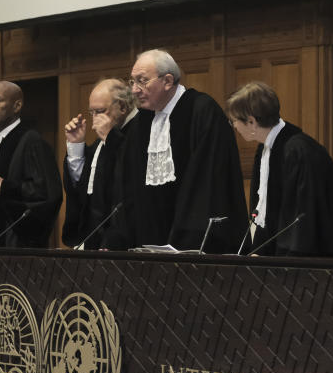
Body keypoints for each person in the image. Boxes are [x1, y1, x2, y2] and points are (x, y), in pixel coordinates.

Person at [103, 49, 247, 252]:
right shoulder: (141, 123)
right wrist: (119, 237)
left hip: (196, 247)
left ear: (168, 81)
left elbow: (209, 185)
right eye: (132, 82)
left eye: (142, 81)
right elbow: (127, 186)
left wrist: (185, 242)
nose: (134, 90)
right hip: (148, 248)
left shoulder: (202, 111)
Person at [226, 82, 333, 256]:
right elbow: (267, 213)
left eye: (234, 120)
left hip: (304, 261)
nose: (234, 126)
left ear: (251, 121)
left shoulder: (299, 152)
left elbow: (302, 220)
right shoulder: (265, 149)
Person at [0, 81, 62, 248]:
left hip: (12, 238)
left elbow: (46, 192)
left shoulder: (31, 141)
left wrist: (6, 188)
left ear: (17, 106)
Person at [62, 79, 138, 249]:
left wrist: (111, 138)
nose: (95, 120)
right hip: (93, 236)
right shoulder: (102, 140)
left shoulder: (140, 130)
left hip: (124, 239)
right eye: (92, 113)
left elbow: (129, 177)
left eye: (100, 111)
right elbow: (81, 187)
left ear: (123, 107)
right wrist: (76, 146)